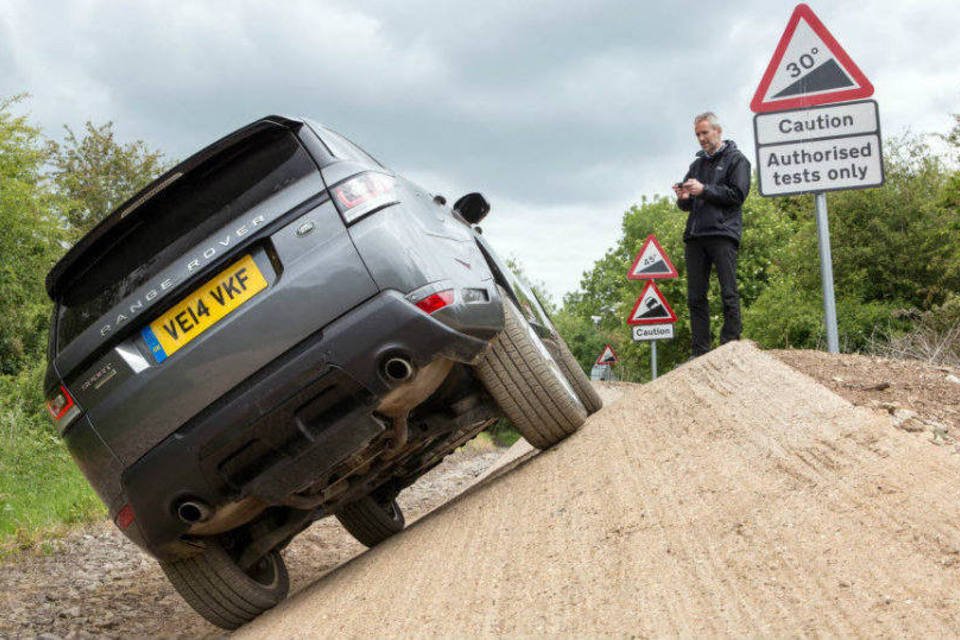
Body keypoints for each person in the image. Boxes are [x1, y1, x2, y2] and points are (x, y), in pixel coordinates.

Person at [672, 112, 751, 358]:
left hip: (723, 232)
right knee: (696, 296)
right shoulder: (696, 165)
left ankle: (730, 343)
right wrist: (683, 198)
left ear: (718, 131)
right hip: (696, 235)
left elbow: (737, 195)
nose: (701, 138)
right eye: (697, 134)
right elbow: (688, 205)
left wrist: (704, 189)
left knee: (728, 290)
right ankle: (700, 351)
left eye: (705, 133)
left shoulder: (737, 160)